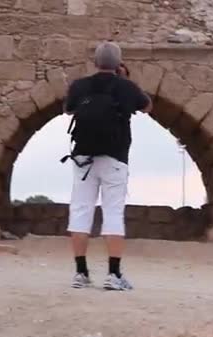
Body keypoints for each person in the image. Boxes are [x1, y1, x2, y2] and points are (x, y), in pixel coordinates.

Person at [63, 42, 152, 291]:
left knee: (80, 212)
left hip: (83, 159)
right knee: (113, 213)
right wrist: (125, 80)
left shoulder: (80, 86)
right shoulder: (125, 86)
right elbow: (147, 106)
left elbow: (68, 110)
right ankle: (114, 275)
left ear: (95, 62)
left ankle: (81, 273)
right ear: (118, 64)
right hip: (115, 158)